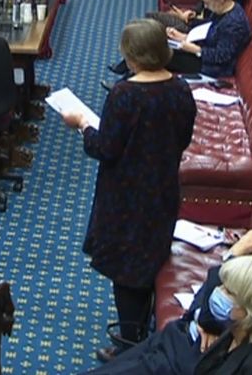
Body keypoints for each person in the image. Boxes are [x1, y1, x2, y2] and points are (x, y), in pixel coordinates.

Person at [85, 184, 252, 371]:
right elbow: (204, 307)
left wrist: (232, 256)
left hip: (194, 359)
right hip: (182, 337)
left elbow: (208, 314)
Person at [62, 19, 197, 351]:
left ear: (132, 56)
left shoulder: (125, 95)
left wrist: (81, 125)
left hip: (125, 197)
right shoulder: (181, 88)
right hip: (163, 189)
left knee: (126, 270)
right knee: (150, 257)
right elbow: (184, 138)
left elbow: (105, 148)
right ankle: (139, 327)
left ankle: (129, 342)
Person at [164, 0, 251, 77]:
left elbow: (222, 56)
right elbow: (210, 29)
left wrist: (197, 50)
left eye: (207, 3)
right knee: (160, 45)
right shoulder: (222, 10)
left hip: (213, 66)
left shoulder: (234, 24)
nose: (205, 6)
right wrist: (186, 37)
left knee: (160, 55)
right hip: (204, 49)